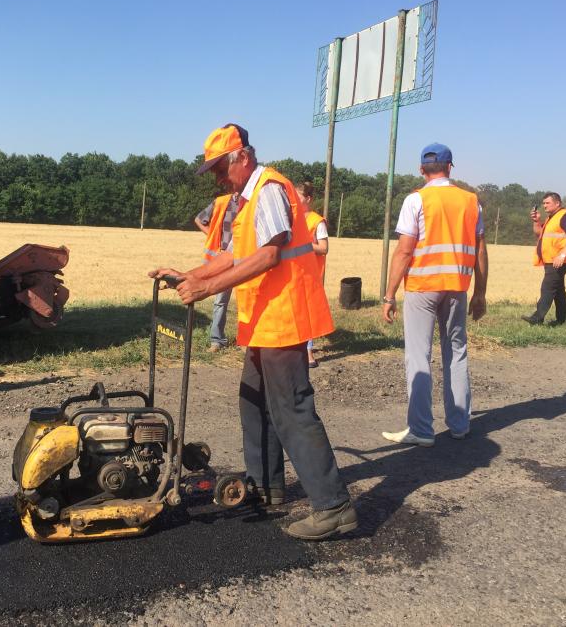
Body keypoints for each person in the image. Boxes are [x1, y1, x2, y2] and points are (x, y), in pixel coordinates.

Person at [149, 123, 357, 541]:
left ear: (242, 156)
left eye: (220, 169)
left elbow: (268, 254)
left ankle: (334, 506)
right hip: (265, 321)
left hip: (285, 317)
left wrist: (207, 288)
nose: (217, 178)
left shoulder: (269, 190)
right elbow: (233, 255)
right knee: (253, 402)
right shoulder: (246, 199)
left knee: (292, 410)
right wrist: (189, 275)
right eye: (211, 173)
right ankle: (267, 486)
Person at [380, 143, 488, 447]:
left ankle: (422, 429)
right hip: (457, 287)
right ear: (450, 167)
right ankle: (459, 424)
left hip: (422, 287)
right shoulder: (471, 201)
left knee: (419, 356)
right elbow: (480, 249)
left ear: (421, 169)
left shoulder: (416, 200)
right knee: (456, 353)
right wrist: (480, 292)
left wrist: (389, 295)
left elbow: (404, 251)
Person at [522, 192, 566, 325]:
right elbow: (538, 234)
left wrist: (562, 255)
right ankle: (563, 320)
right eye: (543, 203)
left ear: (557, 203)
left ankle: (537, 318)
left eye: (547, 203)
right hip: (551, 260)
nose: (544, 206)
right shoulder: (551, 218)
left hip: (559, 261)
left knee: (547, 288)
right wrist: (536, 221)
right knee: (558, 290)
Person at [194, 193, 239, 352]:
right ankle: (217, 341)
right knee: (220, 301)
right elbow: (199, 220)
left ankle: (248, 341)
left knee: (248, 301)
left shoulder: (253, 202)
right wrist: (212, 235)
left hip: (246, 259)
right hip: (224, 261)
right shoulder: (221, 202)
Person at [298, 181, 329, 367]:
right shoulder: (291, 218)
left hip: (310, 274)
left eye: (298, 196)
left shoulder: (317, 221)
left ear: (308, 199)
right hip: (294, 272)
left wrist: (304, 245)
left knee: (307, 312)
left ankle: (308, 351)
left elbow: (324, 248)